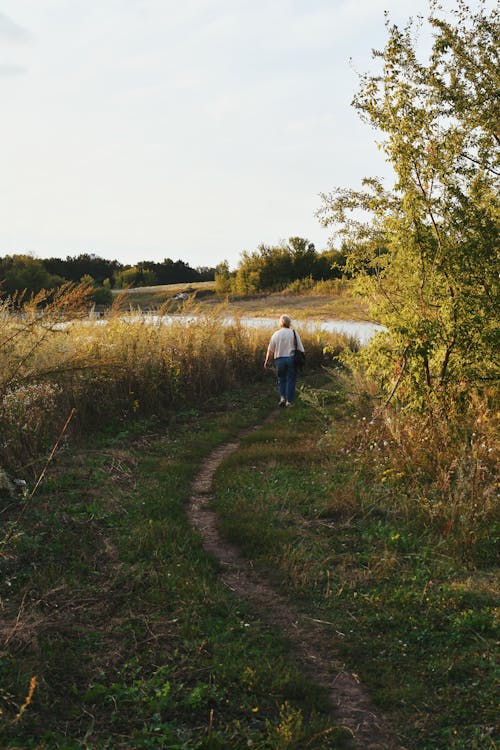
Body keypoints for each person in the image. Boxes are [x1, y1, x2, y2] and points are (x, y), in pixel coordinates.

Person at [264, 314, 305, 407]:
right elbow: (301, 349)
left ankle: (282, 398)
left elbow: (270, 349)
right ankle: (289, 402)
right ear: (289, 323)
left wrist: (267, 360)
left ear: (280, 323)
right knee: (291, 379)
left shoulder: (276, 334)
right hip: (291, 359)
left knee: (281, 379)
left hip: (279, 360)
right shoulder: (294, 333)